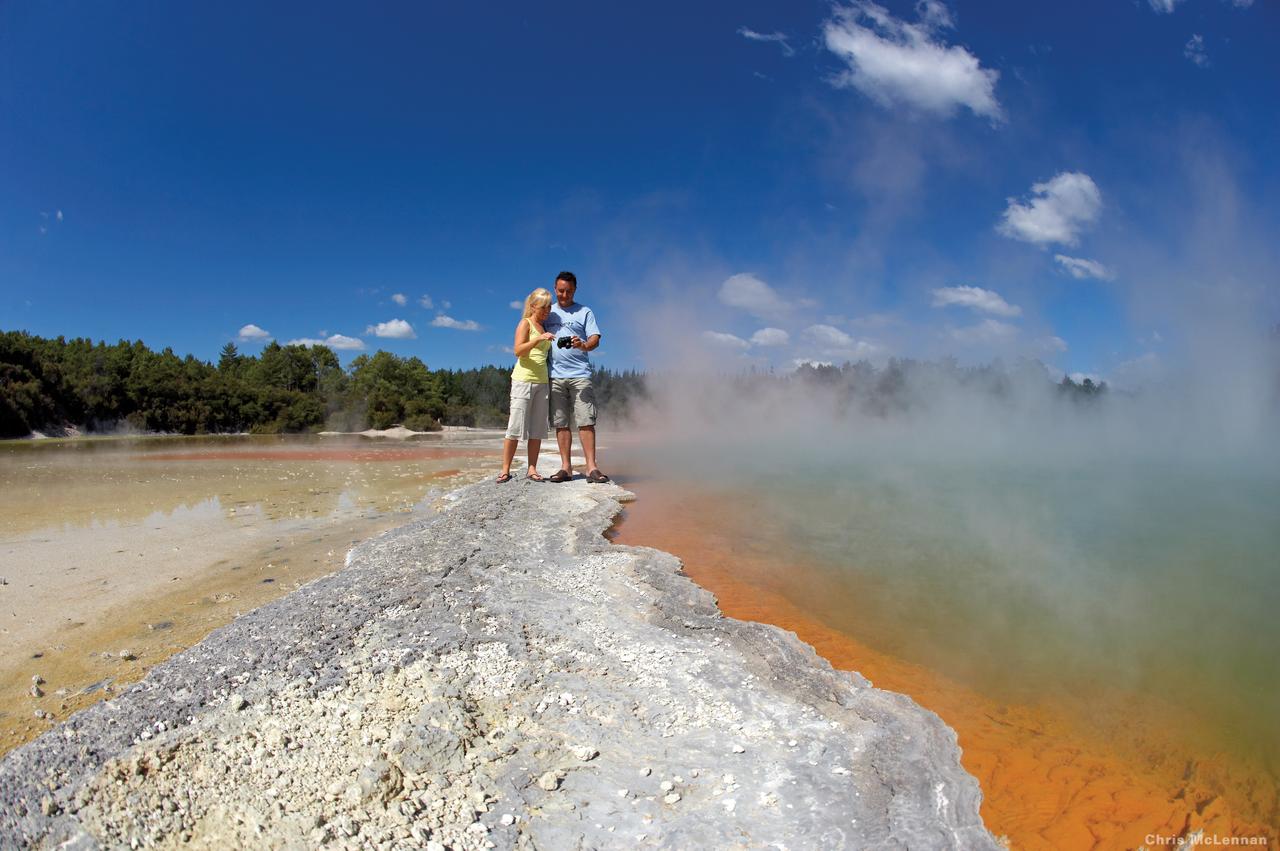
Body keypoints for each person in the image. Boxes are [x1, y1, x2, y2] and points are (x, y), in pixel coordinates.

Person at [544, 271, 609, 483]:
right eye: (561, 291)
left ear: (575, 290)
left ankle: (591, 468)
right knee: (561, 423)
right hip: (555, 375)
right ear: (555, 289)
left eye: (569, 291)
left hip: (580, 374)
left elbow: (595, 339)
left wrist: (583, 345)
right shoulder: (548, 312)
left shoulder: (584, 311)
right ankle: (566, 468)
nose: (564, 295)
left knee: (586, 421)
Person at [497, 288, 554, 483]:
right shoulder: (526, 323)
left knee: (537, 428)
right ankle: (505, 469)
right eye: (543, 307)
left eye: (549, 307)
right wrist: (538, 338)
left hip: (542, 382)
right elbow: (518, 350)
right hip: (523, 380)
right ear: (532, 306)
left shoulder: (544, 326)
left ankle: (532, 468)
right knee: (514, 426)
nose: (547, 311)